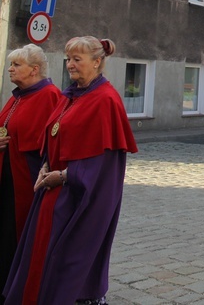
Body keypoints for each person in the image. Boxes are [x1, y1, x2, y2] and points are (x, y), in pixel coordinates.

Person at [3, 37, 137, 304]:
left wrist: (63, 176)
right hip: (53, 190)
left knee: (67, 261)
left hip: (80, 196)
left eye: (78, 59)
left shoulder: (105, 100)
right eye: (68, 59)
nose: (70, 65)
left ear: (97, 62)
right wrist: (44, 166)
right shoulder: (70, 95)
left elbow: (103, 165)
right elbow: (52, 137)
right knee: (41, 255)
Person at [0, 45, 61, 292]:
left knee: (16, 235)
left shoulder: (49, 95)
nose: (10, 69)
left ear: (34, 70)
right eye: (11, 64)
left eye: (16, 65)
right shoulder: (18, 95)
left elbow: (52, 143)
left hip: (25, 180)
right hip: (8, 176)